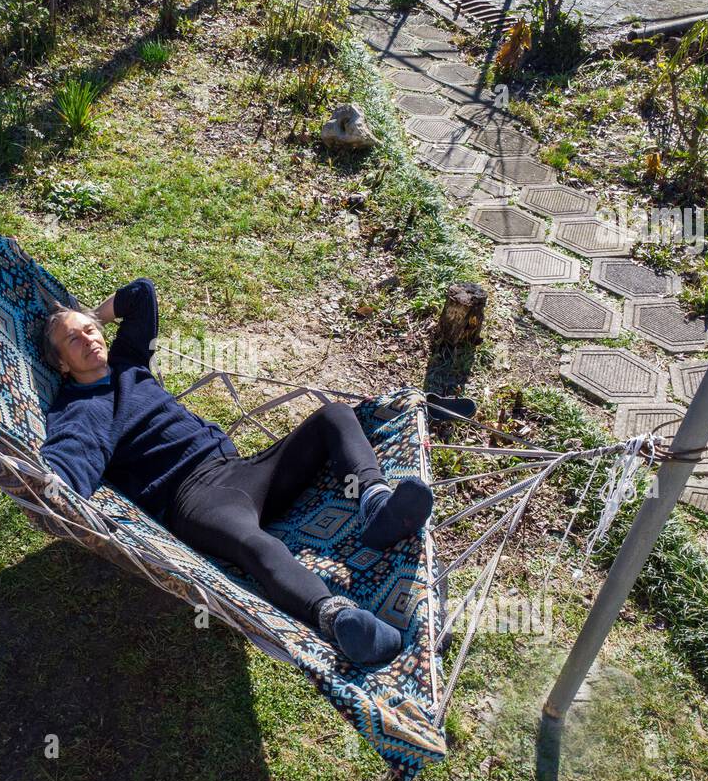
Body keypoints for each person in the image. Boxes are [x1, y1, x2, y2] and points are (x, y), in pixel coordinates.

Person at [38, 278, 433, 667]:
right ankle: (339, 618)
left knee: (335, 415)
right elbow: (70, 463)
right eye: (75, 339)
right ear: (61, 364)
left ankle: (377, 505)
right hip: (194, 500)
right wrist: (51, 481)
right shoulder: (79, 410)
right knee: (254, 544)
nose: (90, 339)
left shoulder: (128, 361)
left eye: (91, 330)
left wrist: (91, 315)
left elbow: (141, 294)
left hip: (242, 470)